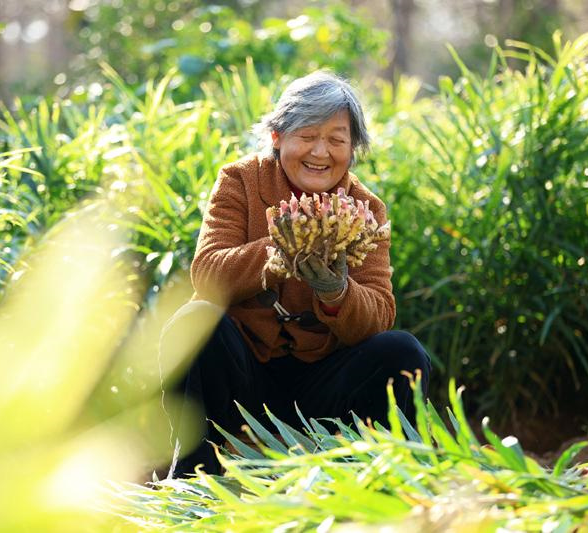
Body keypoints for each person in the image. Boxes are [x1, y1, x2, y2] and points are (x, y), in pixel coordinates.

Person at [161, 71, 431, 477]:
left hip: (320, 385)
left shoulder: (366, 209)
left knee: (403, 352)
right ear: (276, 137)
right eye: (306, 135)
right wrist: (283, 247)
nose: (321, 152)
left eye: (337, 140)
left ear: (353, 148)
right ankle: (192, 476)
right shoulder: (240, 181)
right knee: (196, 322)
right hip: (245, 377)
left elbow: (379, 312)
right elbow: (208, 273)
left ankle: (383, 478)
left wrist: (338, 291)